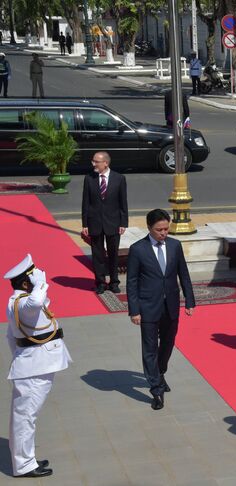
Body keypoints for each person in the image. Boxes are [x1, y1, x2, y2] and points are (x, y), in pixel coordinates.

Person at [4, 255, 71, 478]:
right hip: (34, 368)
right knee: (26, 417)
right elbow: (35, 303)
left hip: (33, 364)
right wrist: (40, 284)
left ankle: (26, 459)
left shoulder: (18, 301)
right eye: (32, 278)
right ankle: (23, 465)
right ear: (26, 283)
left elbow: (10, 337)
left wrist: (22, 358)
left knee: (25, 416)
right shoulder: (23, 302)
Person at [127, 209, 195, 410]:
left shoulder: (175, 246)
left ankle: (160, 371)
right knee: (149, 349)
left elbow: (183, 273)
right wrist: (134, 310)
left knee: (167, 343)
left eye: (166, 229)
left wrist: (189, 300)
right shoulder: (138, 249)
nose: (164, 233)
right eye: (159, 230)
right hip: (148, 307)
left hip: (171, 305)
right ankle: (156, 389)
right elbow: (132, 282)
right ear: (149, 228)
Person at [81, 151, 128, 294]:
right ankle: (100, 282)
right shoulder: (89, 179)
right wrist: (85, 224)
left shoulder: (119, 178)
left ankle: (114, 282)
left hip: (113, 223)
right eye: (93, 161)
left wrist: (123, 223)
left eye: (96, 161)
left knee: (113, 254)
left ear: (105, 163)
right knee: (97, 255)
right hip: (94, 223)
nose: (93, 164)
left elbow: (123, 202)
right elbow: (86, 203)